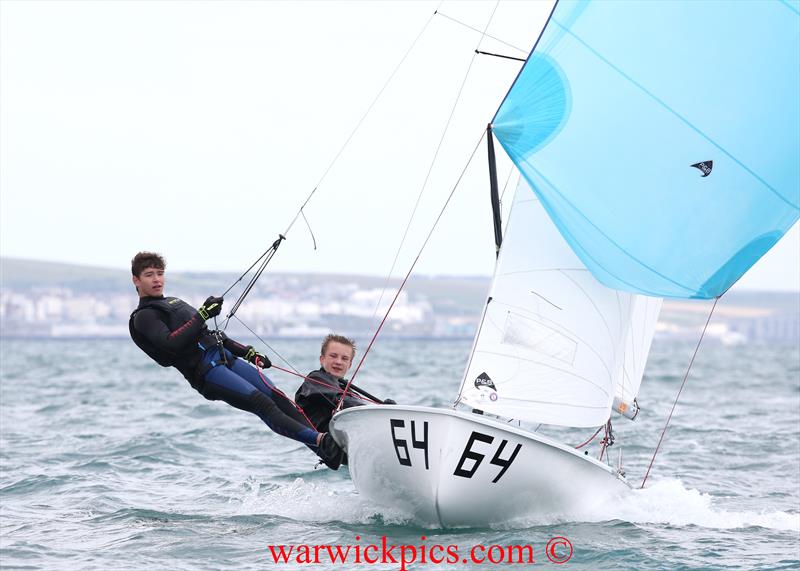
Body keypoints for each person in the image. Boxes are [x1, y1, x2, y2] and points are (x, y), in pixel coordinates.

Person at [128, 251, 343, 470]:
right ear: (136, 280)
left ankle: (331, 452)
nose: (156, 279)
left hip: (225, 358)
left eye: (160, 273)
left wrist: (247, 352)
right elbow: (171, 343)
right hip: (207, 373)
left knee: (279, 397)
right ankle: (321, 441)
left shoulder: (174, 302)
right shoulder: (144, 316)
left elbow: (210, 334)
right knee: (262, 403)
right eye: (149, 275)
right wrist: (201, 314)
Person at [295, 334, 396, 433]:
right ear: (322, 359)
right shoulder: (315, 379)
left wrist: (385, 410)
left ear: (350, 364)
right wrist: (379, 411)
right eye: (333, 356)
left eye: (344, 358)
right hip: (330, 443)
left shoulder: (347, 389)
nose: (338, 362)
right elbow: (340, 400)